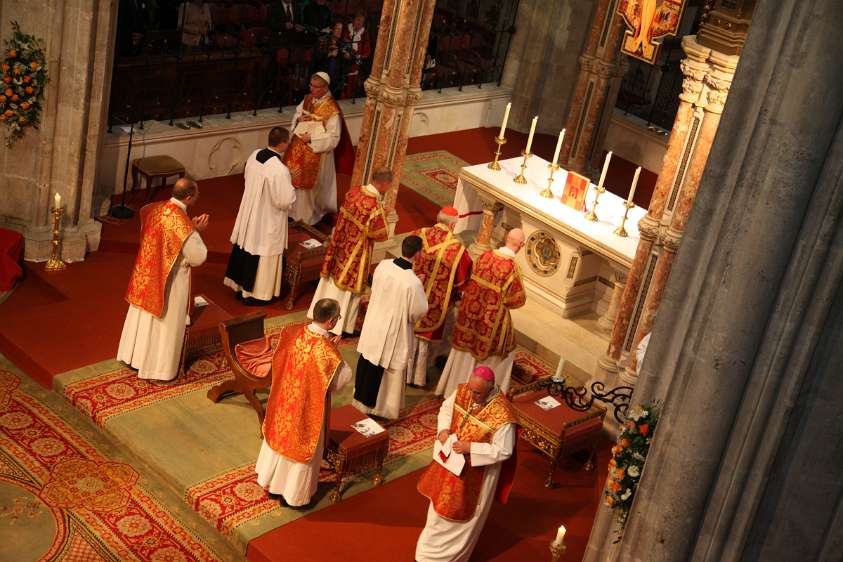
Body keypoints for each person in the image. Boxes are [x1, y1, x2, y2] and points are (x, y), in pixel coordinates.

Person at [256, 298, 352, 508]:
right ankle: (292, 495)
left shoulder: (294, 332)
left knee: (281, 440)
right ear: (331, 321)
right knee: (300, 446)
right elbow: (341, 380)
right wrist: (334, 352)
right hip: (306, 408)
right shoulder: (326, 352)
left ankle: (270, 482)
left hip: (285, 399)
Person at [415, 366, 518, 562]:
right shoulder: (463, 391)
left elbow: (504, 450)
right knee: (438, 507)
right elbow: (446, 409)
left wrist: (470, 448)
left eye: (477, 392)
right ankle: (427, 553)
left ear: (490, 388)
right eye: (471, 389)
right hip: (449, 465)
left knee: (462, 515)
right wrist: (443, 430)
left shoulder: (503, 415)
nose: (471, 395)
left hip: (478, 473)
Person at [117, 178, 209, 382]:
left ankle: (134, 357)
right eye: (196, 195)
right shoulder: (181, 224)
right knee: (163, 325)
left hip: (149, 271)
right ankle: (158, 370)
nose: (197, 198)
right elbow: (197, 256)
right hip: (170, 280)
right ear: (188, 197)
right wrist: (197, 232)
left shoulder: (157, 209)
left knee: (144, 317)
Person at [436, 228, 527, 397]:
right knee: (506, 349)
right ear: (521, 246)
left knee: (464, 351)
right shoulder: (512, 269)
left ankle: (451, 390)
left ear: (506, 238)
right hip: (490, 322)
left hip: (470, 315)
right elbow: (516, 300)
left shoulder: (485, 256)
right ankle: (488, 394)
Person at [352, 236, 429, 420]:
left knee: (369, 360)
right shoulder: (413, 283)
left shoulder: (383, 265)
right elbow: (418, 311)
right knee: (385, 367)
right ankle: (380, 408)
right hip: (392, 330)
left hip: (374, 322)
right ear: (417, 254)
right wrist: (420, 285)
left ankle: (360, 402)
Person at [307, 168, 391, 335]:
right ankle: (341, 325)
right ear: (383, 183)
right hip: (356, 253)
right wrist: (385, 216)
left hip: (340, 245)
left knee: (332, 280)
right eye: (389, 185)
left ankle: (319, 312)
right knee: (348, 288)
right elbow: (380, 235)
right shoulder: (374, 206)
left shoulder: (354, 192)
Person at [224, 127, 296, 305]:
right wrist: (290, 181)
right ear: (283, 144)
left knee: (248, 247)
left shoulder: (254, 155)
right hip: (266, 219)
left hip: (250, 212)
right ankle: (259, 293)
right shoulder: (279, 169)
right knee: (262, 250)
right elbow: (284, 200)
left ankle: (242, 289)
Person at [405, 207, 472, 388]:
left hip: (410, 297)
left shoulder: (418, 233)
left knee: (409, 332)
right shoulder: (457, 249)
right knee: (426, 339)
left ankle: (403, 371)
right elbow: (462, 282)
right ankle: (418, 377)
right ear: (452, 224)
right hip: (435, 303)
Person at [283, 72, 352, 225]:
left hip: (318, 153)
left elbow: (334, 137)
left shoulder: (332, 109)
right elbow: (296, 115)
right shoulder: (307, 99)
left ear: (324, 88)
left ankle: (309, 216)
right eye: (311, 86)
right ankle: (292, 212)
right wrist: (299, 119)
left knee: (310, 186)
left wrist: (312, 138)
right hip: (298, 149)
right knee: (293, 178)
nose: (311, 89)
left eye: (315, 87)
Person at [341, 11, 372, 98]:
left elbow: (367, 51)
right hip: (344, 60)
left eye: (361, 21)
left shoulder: (365, 33)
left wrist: (358, 56)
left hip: (357, 61)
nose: (359, 23)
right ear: (353, 20)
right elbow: (342, 43)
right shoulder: (347, 30)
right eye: (357, 20)